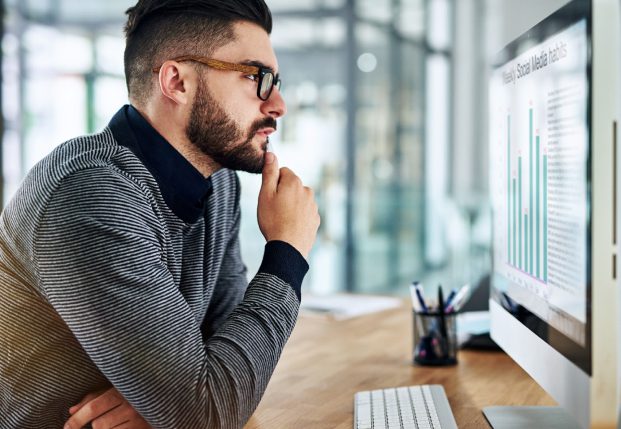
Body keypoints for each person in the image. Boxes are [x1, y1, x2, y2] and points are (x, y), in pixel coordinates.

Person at [0, 0, 320, 428]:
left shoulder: (218, 183)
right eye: (256, 77)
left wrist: (160, 398)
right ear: (177, 82)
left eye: (275, 81)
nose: (277, 103)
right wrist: (287, 253)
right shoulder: (89, 196)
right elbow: (205, 413)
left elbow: (225, 362)